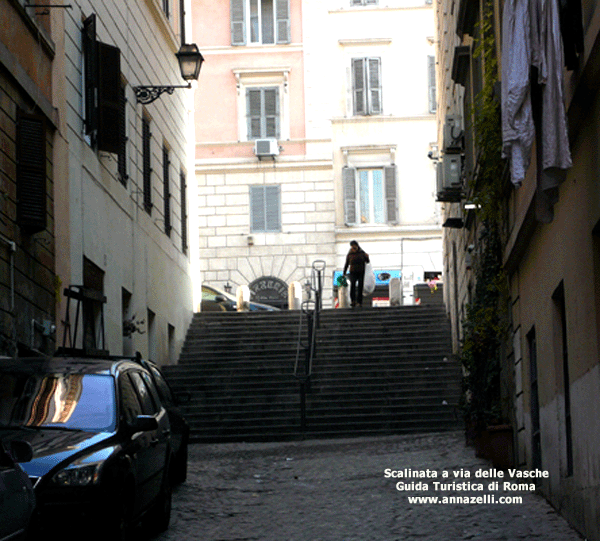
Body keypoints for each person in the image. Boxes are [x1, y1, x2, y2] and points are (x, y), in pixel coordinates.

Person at [343, 240, 370, 308]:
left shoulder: (362, 253)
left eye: (354, 246)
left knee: (360, 287)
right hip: (353, 272)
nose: (353, 247)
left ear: (357, 246)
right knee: (353, 286)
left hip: (361, 272)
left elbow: (367, 261)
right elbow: (346, 264)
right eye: (352, 246)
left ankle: (359, 302)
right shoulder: (350, 254)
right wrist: (344, 272)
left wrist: (367, 257)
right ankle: (353, 301)